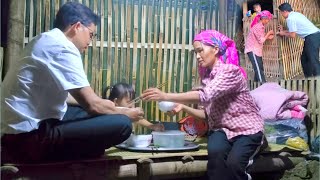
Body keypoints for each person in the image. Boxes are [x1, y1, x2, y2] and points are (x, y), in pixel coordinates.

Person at [1, 2, 144, 163]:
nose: (90, 42)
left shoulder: (44, 39)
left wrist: (111, 108)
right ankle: (82, 151)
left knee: (90, 113)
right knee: (122, 124)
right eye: (91, 34)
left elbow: (75, 100)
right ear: (77, 26)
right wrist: (125, 113)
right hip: (27, 142)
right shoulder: (63, 47)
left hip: (14, 135)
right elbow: (93, 104)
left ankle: (86, 148)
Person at [142, 30, 264, 180]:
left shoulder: (230, 72)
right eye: (195, 52)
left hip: (247, 130)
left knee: (235, 165)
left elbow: (205, 96)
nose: (198, 56)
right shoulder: (207, 80)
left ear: (216, 49)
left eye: (200, 50)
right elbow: (206, 115)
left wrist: (166, 95)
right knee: (216, 161)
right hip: (222, 130)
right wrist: (184, 107)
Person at [277, 2, 320, 77]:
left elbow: (293, 35)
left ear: (285, 11)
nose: (281, 15)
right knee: (305, 59)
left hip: (311, 37)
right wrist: (283, 31)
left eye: (281, 13)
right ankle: (309, 78)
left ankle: (318, 79)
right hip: (314, 35)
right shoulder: (296, 14)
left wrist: (283, 34)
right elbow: (294, 31)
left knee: (313, 59)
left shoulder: (290, 18)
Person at [245, 10, 274, 82]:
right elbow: (261, 40)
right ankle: (263, 86)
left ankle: (256, 86)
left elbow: (260, 38)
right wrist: (268, 33)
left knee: (259, 68)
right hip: (252, 50)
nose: (268, 21)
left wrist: (267, 37)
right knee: (258, 69)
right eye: (267, 19)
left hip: (256, 50)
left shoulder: (261, 26)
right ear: (263, 19)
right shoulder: (258, 27)